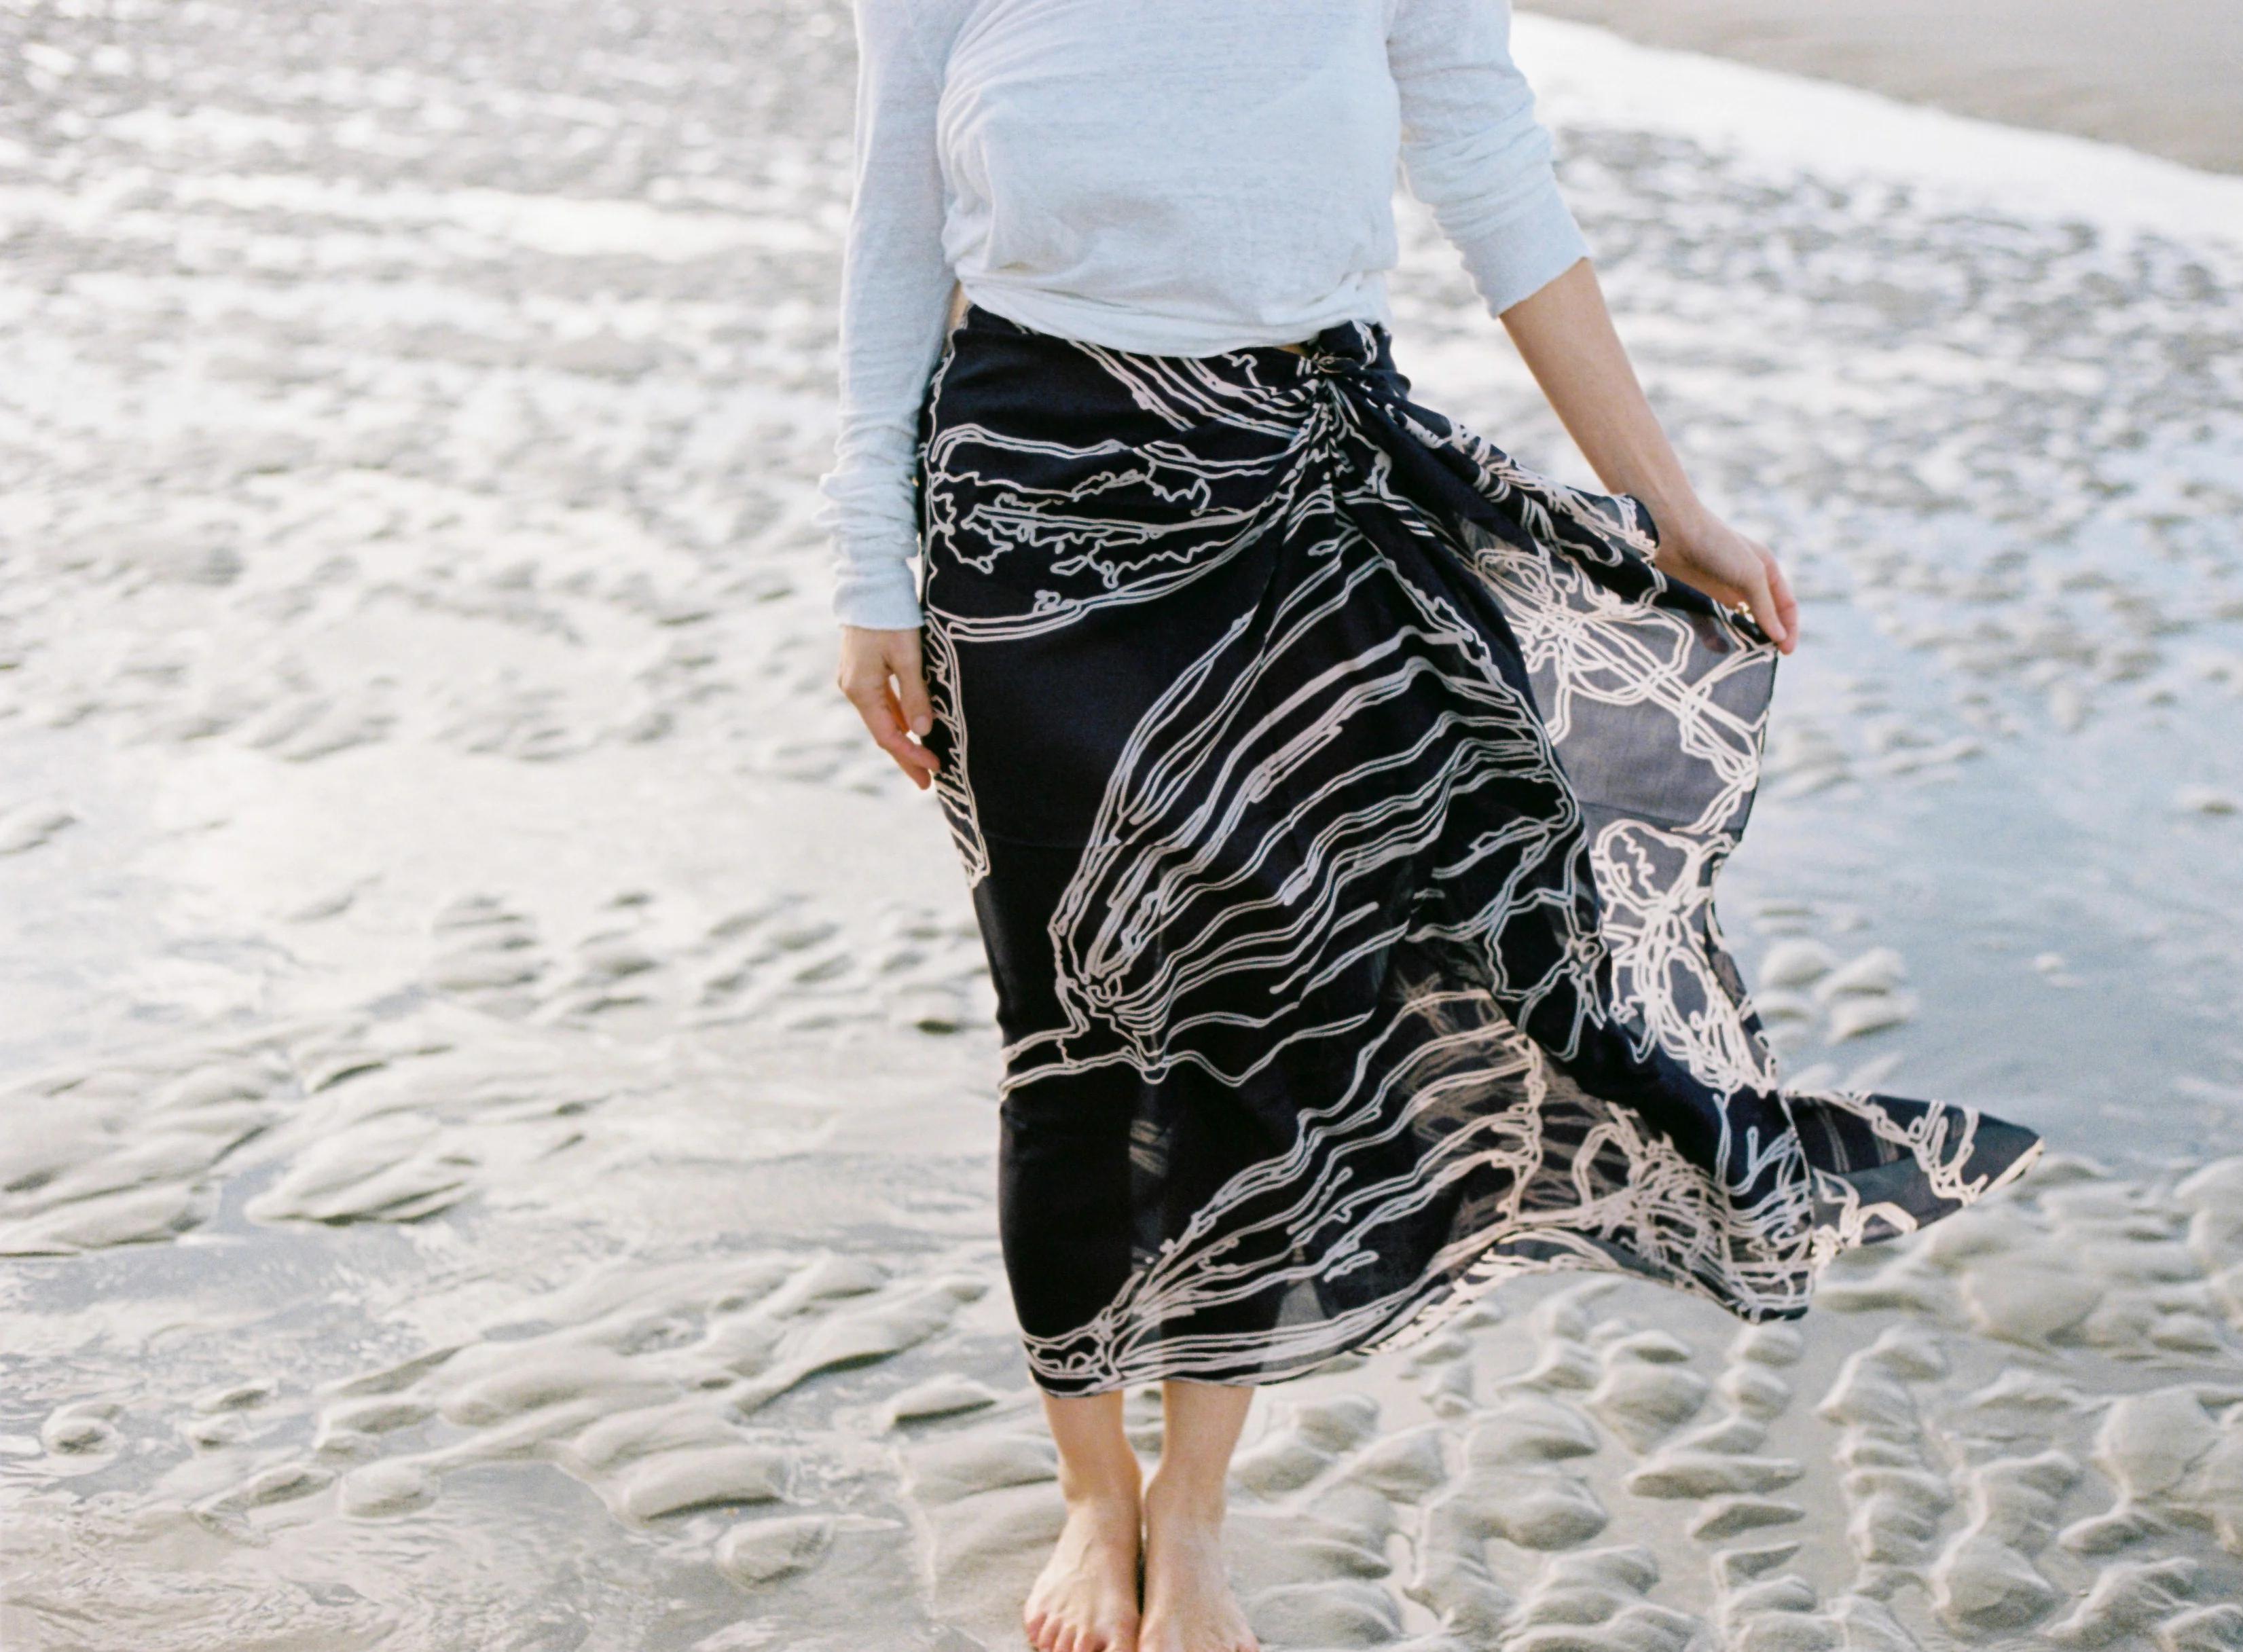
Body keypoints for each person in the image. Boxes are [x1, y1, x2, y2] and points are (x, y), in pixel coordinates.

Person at [820, 4, 2043, 1649]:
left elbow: (1489, 164)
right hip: (1035, 508)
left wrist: (1665, 498)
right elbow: (892, 229)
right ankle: (1089, 1487)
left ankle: (1190, 1510)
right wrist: (861, 573)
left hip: (1306, 486)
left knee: (1260, 1005)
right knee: (1077, 1021)